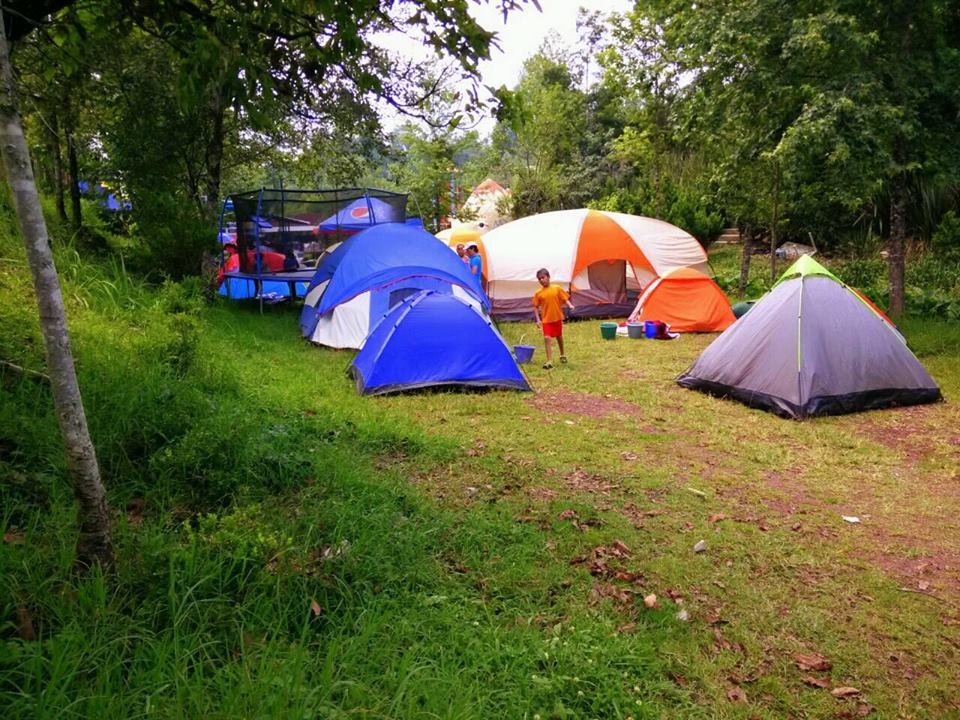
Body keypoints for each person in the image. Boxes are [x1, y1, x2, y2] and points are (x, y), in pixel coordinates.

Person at [532, 268, 574, 369]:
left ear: (548, 277)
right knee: (547, 338)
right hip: (546, 319)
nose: (541, 280)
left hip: (557, 317)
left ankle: (562, 354)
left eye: (543, 277)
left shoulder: (556, 288)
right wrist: (538, 320)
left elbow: (565, 298)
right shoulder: (538, 293)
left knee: (559, 336)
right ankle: (549, 361)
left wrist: (570, 305)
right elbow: (535, 306)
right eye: (539, 279)